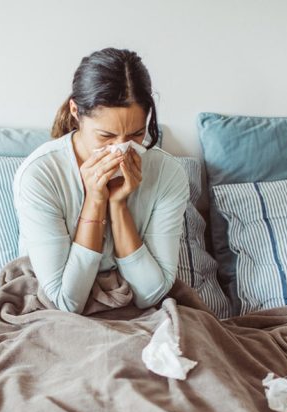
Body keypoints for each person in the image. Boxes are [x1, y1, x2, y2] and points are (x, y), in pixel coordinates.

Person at [13, 47, 189, 314]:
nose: (121, 149)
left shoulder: (167, 174)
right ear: (75, 111)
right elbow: (66, 302)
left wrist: (118, 207)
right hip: (55, 315)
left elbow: (151, 294)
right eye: (106, 136)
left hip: (140, 313)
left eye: (136, 134)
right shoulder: (41, 175)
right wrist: (95, 201)